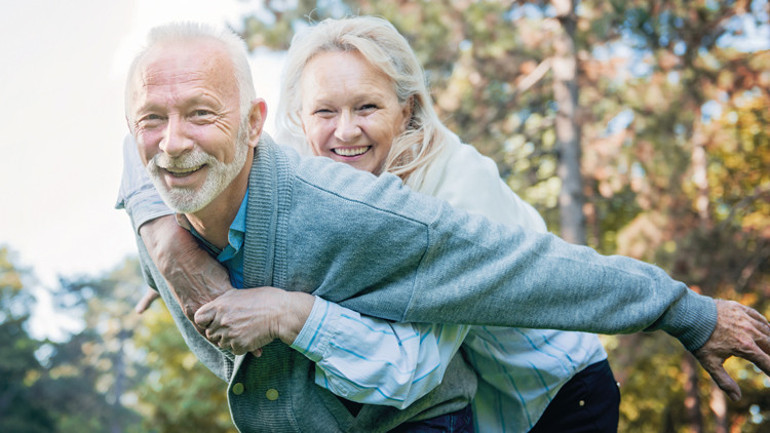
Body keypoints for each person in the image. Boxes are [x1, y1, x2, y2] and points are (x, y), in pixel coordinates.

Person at [119, 21, 770, 433]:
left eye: (367, 107)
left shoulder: (449, 193)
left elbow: (425, 359)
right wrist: (163, 234)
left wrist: (684, 310)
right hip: (473, 403)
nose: (344, 131)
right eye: (325, 111)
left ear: (407, 110)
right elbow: (158, 124)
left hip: (552, 396)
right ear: (290, 118)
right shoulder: (258, 174)